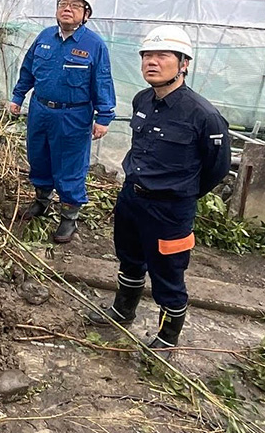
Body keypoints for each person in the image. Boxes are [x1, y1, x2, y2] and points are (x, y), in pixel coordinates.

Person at [87, 25, 231, 358]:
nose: (152, 62)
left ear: (183, 64)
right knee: (129, 259)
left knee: (168, 274)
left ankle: (167, 338)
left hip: (170, 211)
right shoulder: (142, 100)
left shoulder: (204, 115)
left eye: (162, 55)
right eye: (147, 56)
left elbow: (216, 169)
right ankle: (123, 311)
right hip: (132, 199)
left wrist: (179, 194)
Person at [10, 0, 116, 243]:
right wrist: (17, 97)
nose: (67, 9)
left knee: (69, 166)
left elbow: (102, 80)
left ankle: (69, 218)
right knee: (39, 157)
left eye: (75, 6)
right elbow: (27, 70)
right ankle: (42, 202)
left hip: (73, 116)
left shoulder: (94, 45)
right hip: (40, 110)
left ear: (86, 14)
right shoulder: (45, 37)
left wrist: (104, 117)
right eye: (63, 4)